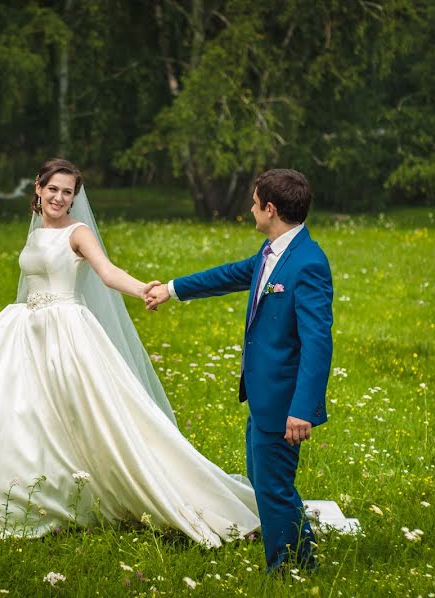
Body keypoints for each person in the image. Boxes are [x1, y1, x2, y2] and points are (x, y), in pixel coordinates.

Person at [0, 158, 260, 546]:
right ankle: (28, 492)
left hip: (65, 332)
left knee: (85, 414)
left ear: (74, 198)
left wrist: (143, 290)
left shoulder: (77, 233)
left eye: (67, 192)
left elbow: (107, 271)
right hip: (24, 330)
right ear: (38, 188)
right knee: (22, 414)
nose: (59, 197)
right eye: (53, 189)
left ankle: (113, 492)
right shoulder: (34, 233)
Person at [145, 168, 333, 573]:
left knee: (273, 486)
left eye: (254, 202)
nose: (249, 209)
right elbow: (227, 275)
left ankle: (287, 570)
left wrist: (302, 408)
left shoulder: (307, 264)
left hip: (284, 402)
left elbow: (318, 344)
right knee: (265, 480)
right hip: (263, 395)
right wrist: (171, 289)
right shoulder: (271, 252)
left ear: (271, 208)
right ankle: (301, 555)